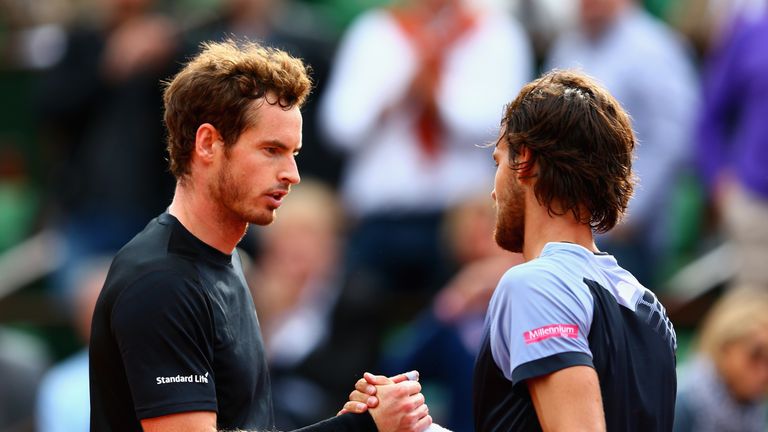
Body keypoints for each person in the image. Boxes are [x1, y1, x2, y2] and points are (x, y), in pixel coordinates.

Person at [88, 39, 431, 432]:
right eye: (271, 150)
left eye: (294, 154)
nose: (292, 174)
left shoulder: (224, 259)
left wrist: (349, 422)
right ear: (207, 144)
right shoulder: (160, 283)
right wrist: (361, 428)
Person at [346, 70, 678, 431]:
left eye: (498, 161)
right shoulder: (648, 307)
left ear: (526, 163)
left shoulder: (536, 285)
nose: (493, 191)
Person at [545, 0, 699, 286]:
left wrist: (626, 214)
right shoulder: (568, 45)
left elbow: (674, 139)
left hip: (626, 236)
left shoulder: (654, 48)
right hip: (566, 223)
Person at [675, 287, 768, 432]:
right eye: (755, 355)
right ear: (724, 348)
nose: (764, 373)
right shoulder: (679, 403)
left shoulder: (756, 411)